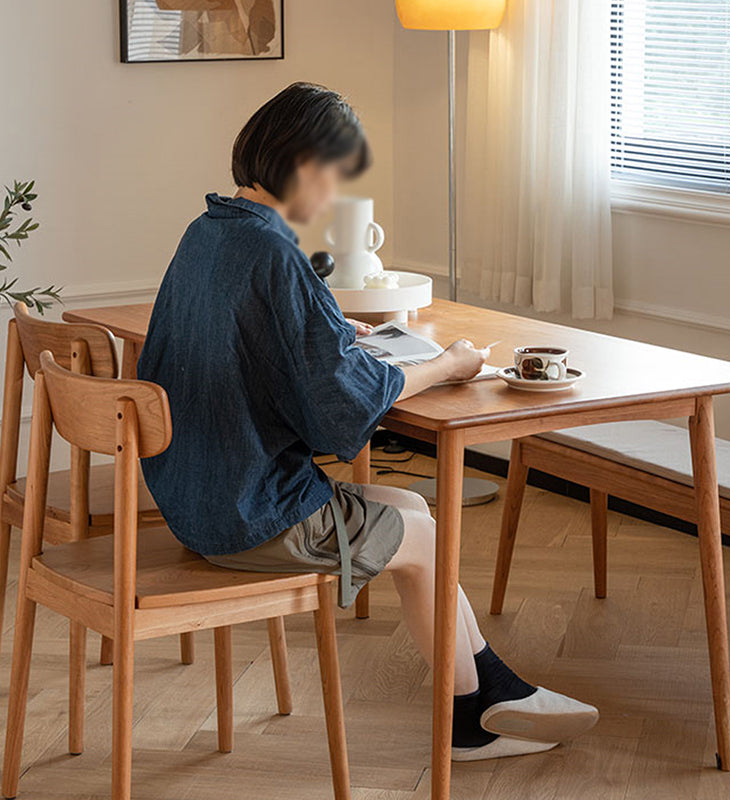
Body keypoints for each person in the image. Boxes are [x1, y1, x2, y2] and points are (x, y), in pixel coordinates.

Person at [138, 82, 599, 761]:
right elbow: (345, 407)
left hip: (193, 495)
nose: (333, 194)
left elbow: (246, 342)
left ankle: (489, 694)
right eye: (335, 170)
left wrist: (325, 329)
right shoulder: (275, 254)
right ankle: (472, 718)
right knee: (419, 540)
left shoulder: (209, 232)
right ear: (303, 164)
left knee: (413, 507)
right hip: (245, 516)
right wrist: (448, 365)